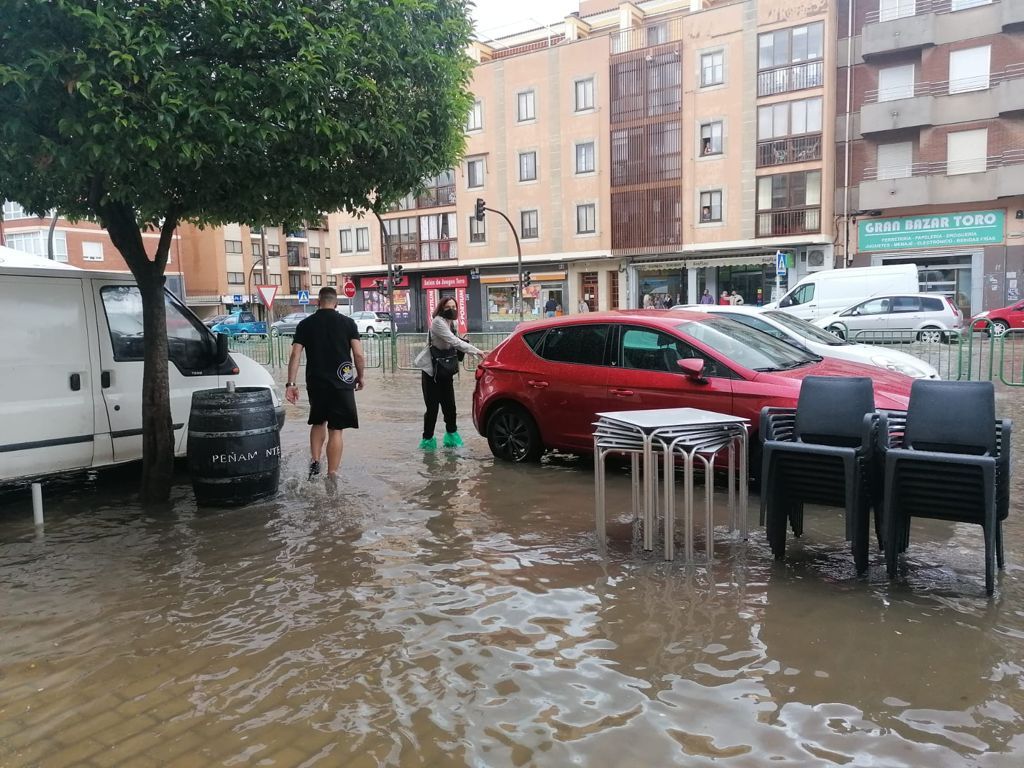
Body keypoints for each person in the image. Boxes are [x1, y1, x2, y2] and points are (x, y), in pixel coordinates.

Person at [286, 286, 365, 480]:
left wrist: (291, 384)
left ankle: (315, 462)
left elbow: (295, 354)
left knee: (318, 421)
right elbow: (358, 354)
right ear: (336, 303)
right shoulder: (348, 323)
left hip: (316, 381)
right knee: (336, 428)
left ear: (317, 302)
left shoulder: (305, 324)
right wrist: (360, 376)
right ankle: (332, 473)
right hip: (342, 381)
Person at [413, 297, 484, 450]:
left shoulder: (453, 323)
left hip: (446, 371)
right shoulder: (438, 322)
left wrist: (469, 347)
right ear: (441, 308)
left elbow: (456, 341)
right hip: (431, 372)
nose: (451, 309)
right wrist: (478, 352)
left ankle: (451, 436)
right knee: (432, 408)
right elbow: (454, 341)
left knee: (450, 407)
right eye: (448, 306)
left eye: (454, 306)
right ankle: (428, 440)